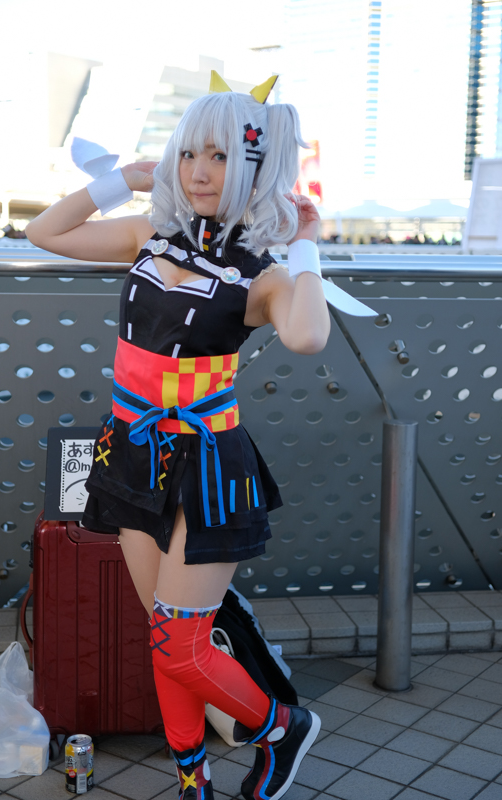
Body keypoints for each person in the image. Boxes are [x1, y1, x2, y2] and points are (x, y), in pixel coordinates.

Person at [26, 72, 330, 800]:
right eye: (189, 152)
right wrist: (123, 181)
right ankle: (193, 782)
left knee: (178, 643)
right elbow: (44, 233)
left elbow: (307, 335)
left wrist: (308, 247)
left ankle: (281, 728)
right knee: (164, 639)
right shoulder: (148, 233)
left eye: (220, 156)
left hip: (206, 466)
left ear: (256, 168)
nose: (198, 171)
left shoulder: (262, 275)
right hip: (131, 448)